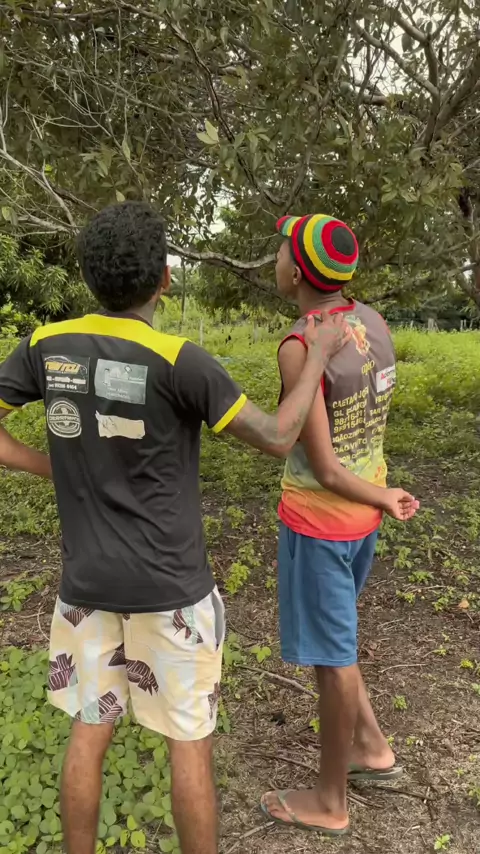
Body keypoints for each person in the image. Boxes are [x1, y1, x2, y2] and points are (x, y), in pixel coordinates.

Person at [0, 201, 351, 854]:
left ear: (87, 277)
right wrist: (319, 355)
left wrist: (51, 467)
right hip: (172, 591)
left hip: (85, 586)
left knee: (88, 735)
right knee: (188, 747)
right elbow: (278, 436)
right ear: (165, 279)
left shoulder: (46, 346)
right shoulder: (181, 361)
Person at [261, 214, 419, 836]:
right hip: (360, 523)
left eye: (281, 251)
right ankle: (371, 748)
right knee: (339, 643)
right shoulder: (373, 322)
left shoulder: (299, 345)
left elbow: (323, 467)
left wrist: (383, 495)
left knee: (333, 660)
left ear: (298, 272)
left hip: (321, 523)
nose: (275, 259)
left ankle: (330, 802)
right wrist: (378, 496)